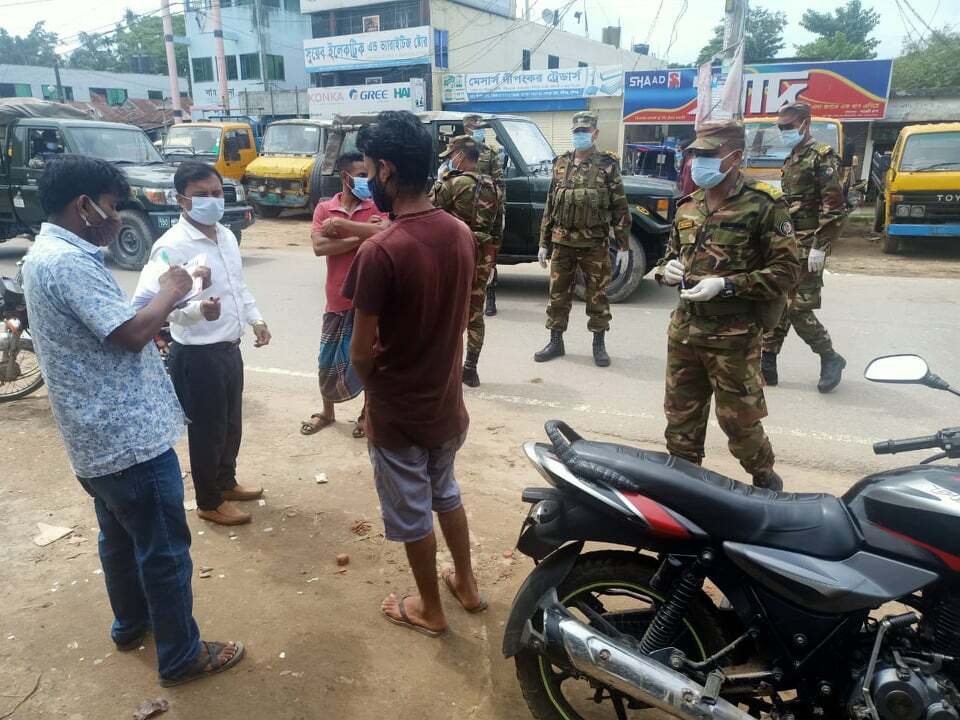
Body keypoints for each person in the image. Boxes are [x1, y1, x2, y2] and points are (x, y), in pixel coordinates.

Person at [21, 155, 244, 686]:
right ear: (84, 205)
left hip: (96, 438)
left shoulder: (44, 255)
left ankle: (131, 624)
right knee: (165, 551)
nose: (117, 217)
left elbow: (113, 328)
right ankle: (181, 654)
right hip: (127, 440)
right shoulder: (68, 262)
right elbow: (129, 334)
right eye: (113, 206)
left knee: (119, 540)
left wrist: (167, 306)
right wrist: (173, 289)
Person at [342, 110, 485, 638]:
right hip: (446, 404)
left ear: (385, 170)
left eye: (366, 169)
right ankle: (466, 585)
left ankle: (430, 609)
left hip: (399, 411)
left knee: (410, 512)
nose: (365, 179)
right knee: (444, 490)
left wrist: (369, 390)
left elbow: (360, 354)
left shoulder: (381, 250)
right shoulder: (460, 232)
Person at [654, 120, 799, 491]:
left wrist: (727, 285)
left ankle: (766, 481)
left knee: (740, 423)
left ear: (734, 157)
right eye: (694, 155)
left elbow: (785, 271)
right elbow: (672, 255)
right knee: (680, 421)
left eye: (707, 155)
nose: (696, 162)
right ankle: (687, 491)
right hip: (685, 332)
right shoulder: (689, 205)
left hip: (733, 338)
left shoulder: (764, 204)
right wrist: (665, 270)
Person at [134, 161, 271, 527]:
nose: (212, 200)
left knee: (230, 425)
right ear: (181, 200)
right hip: (196, 354)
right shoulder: (170, 247)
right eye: (201, 195)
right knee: (207, 432)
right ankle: (208, 501)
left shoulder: (225, 236)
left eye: (216, 193)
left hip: (228, 347)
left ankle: (226, 483)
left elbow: (237, 287)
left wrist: (256, 319)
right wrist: (197, 310)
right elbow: (158, 308)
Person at [761, 102, 847, 392]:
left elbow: (834, 207)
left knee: (797, 308)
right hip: (787, 243)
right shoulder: (792, 157)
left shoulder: (821, 157)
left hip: (810, 244)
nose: (783, 131)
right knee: (776, 301)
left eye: (788, 126)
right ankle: (768, 359)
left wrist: (821, 246)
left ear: (805, 124)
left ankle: (830, 356)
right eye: (780, 127)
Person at [534, 111, 630, 367]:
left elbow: (620, 207)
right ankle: (556, 341)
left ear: (595, 133)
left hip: (594, 245)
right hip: (562, 241)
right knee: (557, 295)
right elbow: (550, 205)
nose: (580, 136)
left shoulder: (607, 164)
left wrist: (623, 245)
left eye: (585, 132)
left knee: (597, 296)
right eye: (577, 131)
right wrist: (544, 242)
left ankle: (598, 344)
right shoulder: (561, 163)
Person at [301, 151, 386, 436]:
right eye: (361, 176)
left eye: (368, 175)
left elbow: (386, 233)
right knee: (327, 358)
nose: (367, 181)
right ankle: (327, 412)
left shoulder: (376, 206)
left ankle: (366, 414)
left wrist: (342, 232)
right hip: (337, 299)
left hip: (370, 299)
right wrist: (362, 234)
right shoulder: (325, 209)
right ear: (345, 176)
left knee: (369, 360)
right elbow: (319, 248)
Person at [430, 135, 503, 388]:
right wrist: (492, 260)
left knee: (447, 311)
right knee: (475, 313)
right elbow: (498, 228)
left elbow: (427, 211)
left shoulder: (453, 183)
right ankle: (470, 368)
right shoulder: (494, 186)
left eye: (451, 156)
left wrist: (440, 182)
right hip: (482, 256)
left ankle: (443, 366)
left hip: (454, 253)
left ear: (460, 156)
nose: (449, 161)